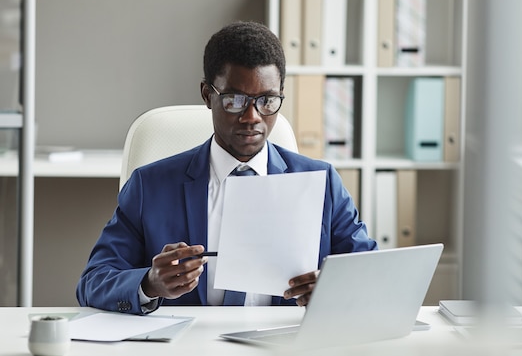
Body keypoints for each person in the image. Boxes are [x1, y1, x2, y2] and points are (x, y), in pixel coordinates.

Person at [76, 21, 377, 314]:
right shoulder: (150, 186)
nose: (252, 117)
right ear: (208, 94)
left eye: (267, 101)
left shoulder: (320, 181)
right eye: (235, 100)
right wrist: (149, 284)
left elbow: (372, 273)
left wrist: (334, 288)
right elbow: (92, 282)